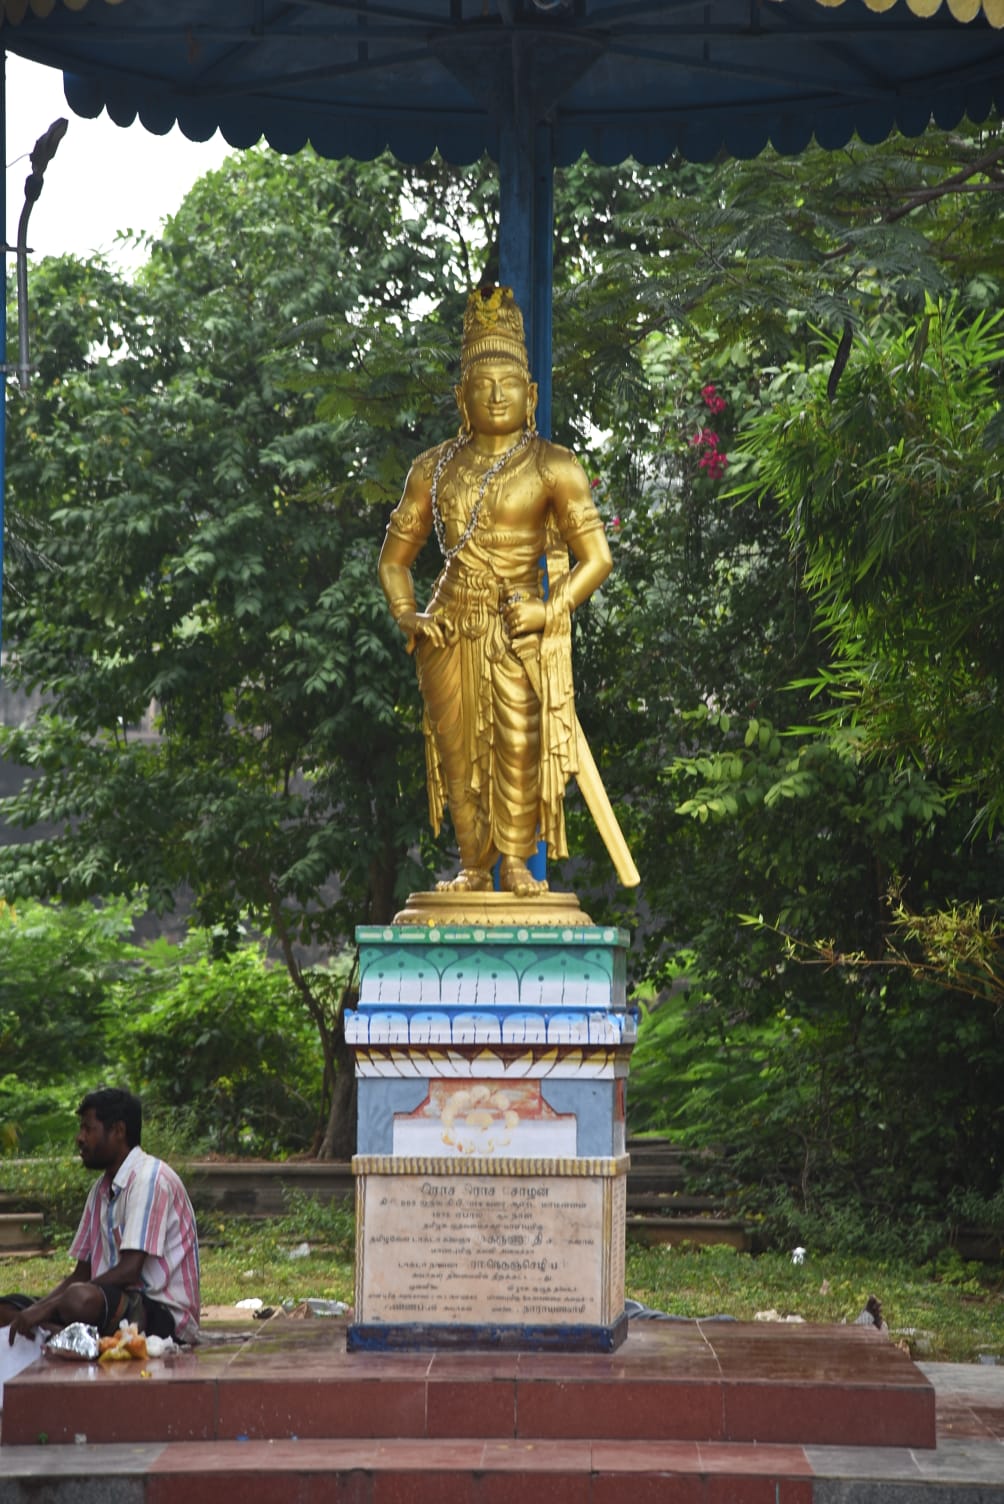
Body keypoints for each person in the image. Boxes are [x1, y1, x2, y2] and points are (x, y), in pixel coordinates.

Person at [378, 285, 613, 897]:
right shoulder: (433, 468)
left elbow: (596, 559)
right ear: (463, 397)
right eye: (482, 383)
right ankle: (473, 865)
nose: (497, 393)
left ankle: (514, 860)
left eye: (509, 381)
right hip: (451, 624)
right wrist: (408, 613)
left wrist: (548, 608)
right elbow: (394, 559)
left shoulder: (553, 465)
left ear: (531, 394)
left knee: (517, 742)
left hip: (516, 626)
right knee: (459, 754)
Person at [1, 1088, 200, 1346]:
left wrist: (50, 1308)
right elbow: (80, 1274)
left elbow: (129, 1271)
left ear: (118, 1130)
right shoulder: (101, 1190)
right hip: (109, 1303)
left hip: (163, 1317)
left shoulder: (149, 1179)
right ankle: (62, 1337)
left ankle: (58, 1337)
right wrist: (38, 1309)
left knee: (78, 1300)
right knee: (7, 1310)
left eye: (88, 1129)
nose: (79, 1138)